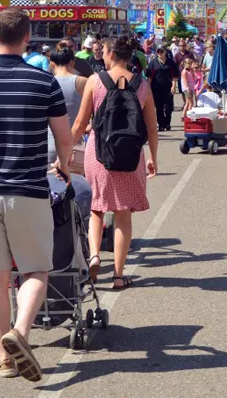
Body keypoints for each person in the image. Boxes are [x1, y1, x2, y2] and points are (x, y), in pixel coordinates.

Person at [0, 8, 73, 382]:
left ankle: (3, 355)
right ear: (28, 37)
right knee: (36, 269)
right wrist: (64, 166)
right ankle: (20, 333)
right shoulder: (44, 83)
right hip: (27, 188)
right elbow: (63, 137)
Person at [72, 35, 159, 289]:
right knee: (123, 215)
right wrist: (153, 156)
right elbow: (152, 128)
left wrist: (66, 151)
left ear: (109, 53)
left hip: (98, 154)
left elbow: (80, 123)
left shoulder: (95, 81)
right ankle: (119, 276)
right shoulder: (142, 84)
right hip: (131, 156)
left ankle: (95, 254)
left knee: (97, 209)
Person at [46, 45, 88, 166]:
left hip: (50, 145)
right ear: (72, 62)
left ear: (52, 64)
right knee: (76, 184)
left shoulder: (45, 83)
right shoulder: (82, 82)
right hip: (76, 148)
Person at [146, 46, 177, 131]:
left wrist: (173, 86)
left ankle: (167, 123)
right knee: (159, 108)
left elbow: (174, 76)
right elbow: (149, 77)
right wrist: (148, 88)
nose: (159, 53)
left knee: (168, 108)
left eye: (161, 51)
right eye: (158, 51)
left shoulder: (170, 62)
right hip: (156, 88)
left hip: (168, 88)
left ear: (165, 52)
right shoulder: (153, 63)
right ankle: (161, 125)